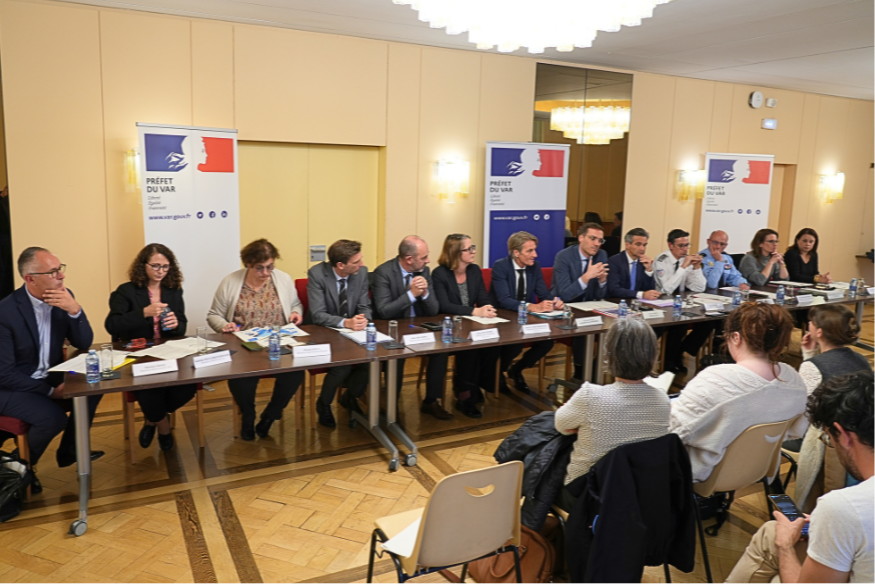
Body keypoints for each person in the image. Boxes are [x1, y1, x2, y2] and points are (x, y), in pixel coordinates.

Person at [726, 371, 875, 583]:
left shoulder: (845, 507)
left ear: (843, 436)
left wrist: (785, 545)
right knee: (771, 532)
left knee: (776, 538)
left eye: (828, 439)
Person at [0, 247, 103, 494]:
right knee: (52, 418)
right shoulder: (6, 312)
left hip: (49, 375)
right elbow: (5, 373)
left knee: (94, 385)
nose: (61, 276)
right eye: (53, 272)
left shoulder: (64, 298)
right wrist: (49, 392)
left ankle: (69, 450)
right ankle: (20, 468)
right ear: (30, 279)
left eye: (60, 269)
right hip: (12, 387)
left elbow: (84, 342)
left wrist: (75, 311)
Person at [669, 302, 808, 483]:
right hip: (758, 468)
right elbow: (796, 431)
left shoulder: (716, 380)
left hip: (703, 473)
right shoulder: (794, 380)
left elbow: (672, 432)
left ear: (736, 337)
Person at [554, 318, 671, 512]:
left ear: (609, 354)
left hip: (588, 496)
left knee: (544, 461)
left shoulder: (590, 396)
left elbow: (561, 425)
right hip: (637, 494)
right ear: (652, 354)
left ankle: (531, 525)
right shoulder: (662, 400)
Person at [207, 239, 305, 441]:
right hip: (245, 345)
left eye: (270, 267)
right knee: (241, 379)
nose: (266, 273)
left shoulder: (283, 279)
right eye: (260, 268)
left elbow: (296, 303)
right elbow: (214, 315)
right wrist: (224, 325)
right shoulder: (230, 282)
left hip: (278, 342)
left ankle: (270, 416)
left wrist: (296, 313)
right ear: (248, 264)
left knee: (295, 374)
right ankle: (248, 416)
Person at [105, 244, 196, 451]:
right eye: (155, 266)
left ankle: (151, 420)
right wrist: (144, 313)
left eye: (165, 267)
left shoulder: (173, 291)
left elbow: (182, 325)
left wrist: (176, 324)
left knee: (187, 388)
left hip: (169, 353)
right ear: (143, 265)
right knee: (149, 391)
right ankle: (163, 428)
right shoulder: (126, 291)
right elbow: (112, 324)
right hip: (138, 355)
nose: (160, 271)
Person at [792, 305, 872, 512]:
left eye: (811, 323)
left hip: (826, 442)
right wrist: (810, 354)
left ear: (818, 331)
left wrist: (810, 359)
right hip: (862, 437)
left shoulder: (815, 366)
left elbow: (802, 410)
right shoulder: (860, 358)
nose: (808, 325)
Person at [372, 235, 453, 420]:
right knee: (397, 354)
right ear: (409, 259)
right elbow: (384, 311)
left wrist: (424, 294)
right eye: (424, 257)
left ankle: (431, 401)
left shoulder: (424, 271)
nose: (428, 261)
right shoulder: (383, 273)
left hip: (418, 328)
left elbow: (434, 310)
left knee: (441, 349)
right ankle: (391, 406)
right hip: (393, 329)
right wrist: (411, 294)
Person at [306, 239, 372, 428]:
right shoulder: (317, 274)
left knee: (371, 361)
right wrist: (346, 323)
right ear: (341, 265)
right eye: (356, 262)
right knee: (342, 366)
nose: (362, 264)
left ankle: (349, 396)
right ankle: (324, 404)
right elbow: (318, 315)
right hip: (323, 331)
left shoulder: (361, 273)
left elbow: (365, 306)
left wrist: (363, 319)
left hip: (353, 332)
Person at [489, 231, 565, 393]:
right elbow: (504, 300)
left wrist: (554, 302)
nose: (535, 255)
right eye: (530, 251)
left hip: (524, 318)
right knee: (515, 344)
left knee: (547, 342)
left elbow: (543, 294)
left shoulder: (534, 267)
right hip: (502, 317)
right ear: (516, 253)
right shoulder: (501, 266)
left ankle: (517, 369)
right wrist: (533, 307)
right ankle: (496, 373)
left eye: (535, 250)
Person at [432, 234, 497, 418]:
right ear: (455, 253)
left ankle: (474, 385)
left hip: (472, 323)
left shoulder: (474, 270)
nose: (473, 252)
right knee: (470, 348)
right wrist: (475, 311)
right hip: (449, 327)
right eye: (468, 249)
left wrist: (487, 308)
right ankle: (465, 395)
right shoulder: (439, 274)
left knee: (493, 345)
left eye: (472, 247)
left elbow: (482, 297)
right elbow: (444, 305)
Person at [551, 222, 609, 380]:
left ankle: (595, 370)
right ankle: (580, 374)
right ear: (581, 238)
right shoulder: (564, 257)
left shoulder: (601, 256)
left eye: (600, 240)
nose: (597, 244)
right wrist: (586, 277)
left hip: (589, 307)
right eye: (593, 238)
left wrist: (602, 282)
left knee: (615, 328)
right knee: (583, 329)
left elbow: (600, 294)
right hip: (564, 308)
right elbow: (565, 294)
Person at [654, 229, 707, 374]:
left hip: (681, 303)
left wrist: (696, 268)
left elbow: (699, 288)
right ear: (671, 245)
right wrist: (683, 267)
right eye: (681, 246)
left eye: (687, 245)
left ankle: (678, 355)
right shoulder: (661, 260)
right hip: (662, 303)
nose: (685, 249)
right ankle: (668, 363)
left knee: (705, 321)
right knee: (676, 326)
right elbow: (667, 289)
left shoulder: (686, 259)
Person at [606, 227, 660, 300]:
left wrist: (649, 270)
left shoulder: (643, 262)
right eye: (638, 244)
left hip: (638, 303)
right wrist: (641, 294)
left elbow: (649, 291)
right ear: (628, 245)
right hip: (617, 302)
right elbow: (614, 290)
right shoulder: (614, 261)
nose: (642, 249)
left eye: (644, 245)